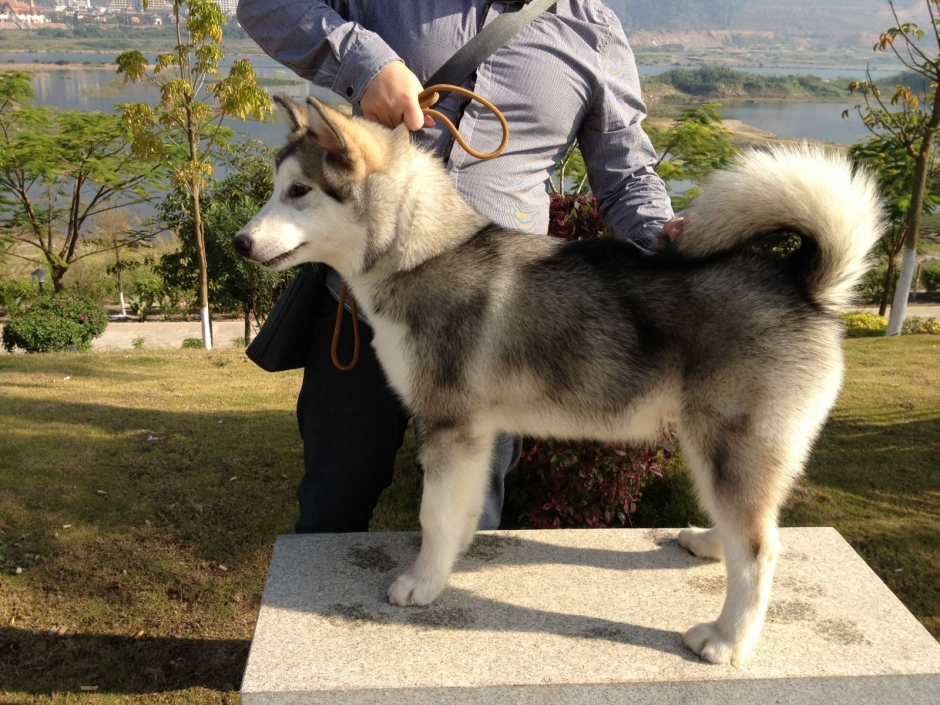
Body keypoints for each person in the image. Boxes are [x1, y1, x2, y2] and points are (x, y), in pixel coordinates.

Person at [236, 0, 683, 534]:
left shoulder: (594, 32)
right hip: (360, 316)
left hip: (495, 335)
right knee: (331, 504)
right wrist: (367, 64)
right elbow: (265, 7)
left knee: (470, 516)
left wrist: (663, 236)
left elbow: (626, 174)